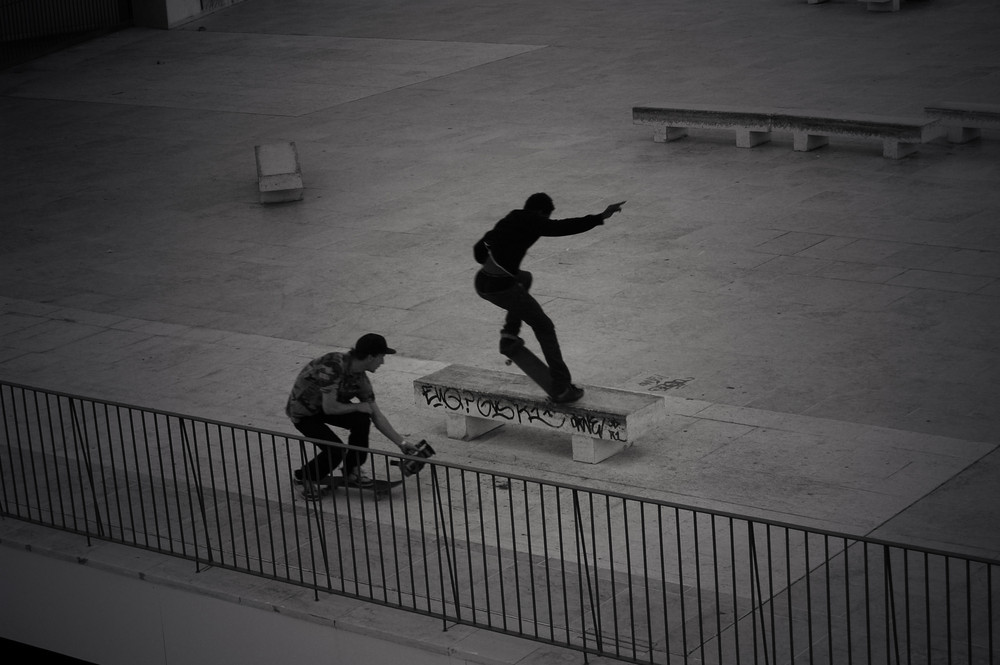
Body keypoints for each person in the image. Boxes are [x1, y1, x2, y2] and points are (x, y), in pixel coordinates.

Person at [473, 193, 625, 403]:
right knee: (544, 326)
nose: (546, 221)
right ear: (540, 212)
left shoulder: (511, 218)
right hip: (501, 289)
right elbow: (562, 227)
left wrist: (498, 261)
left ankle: (509, 334)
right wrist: (600, 217)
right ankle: (562, 387)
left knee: (524, 277)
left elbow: (478, 251)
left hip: (481, 282)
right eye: (546, 217)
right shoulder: (534, 220)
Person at [286, 333, 418, 500]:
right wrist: (358, 406)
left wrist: (402, 443)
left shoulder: (360, 379)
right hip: (304, 413)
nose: (382, 362)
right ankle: (303, 477)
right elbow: (330, 407)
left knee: (362, 419)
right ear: (371, 356)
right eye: (381, 357)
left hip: (325, 409)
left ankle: (351, 470)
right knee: (335, 450)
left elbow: (376, 415)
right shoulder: (332, 366)